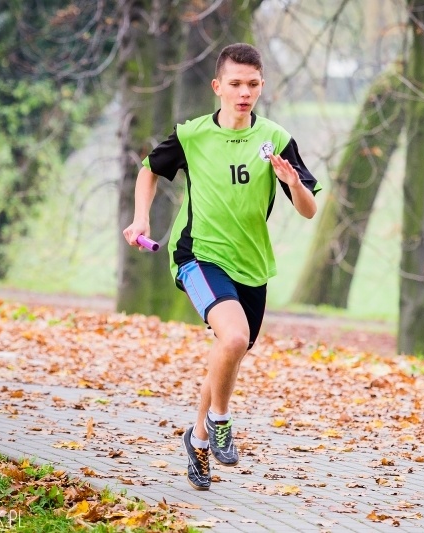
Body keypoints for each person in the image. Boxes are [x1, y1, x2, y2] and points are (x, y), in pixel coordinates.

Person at [122, 43, 321, 491]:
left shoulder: (277, 139)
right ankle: (221, 420)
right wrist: (140, 217)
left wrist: (293, 183)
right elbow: (149, 169)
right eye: (235, 84)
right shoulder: (192, 135)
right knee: (234, 337)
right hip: (198, 254)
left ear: (262, 86)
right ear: (218, 87)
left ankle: (195, 438)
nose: (244, 92)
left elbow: (308, 210)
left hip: (252, 265)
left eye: (252, 84)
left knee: (229, 355)